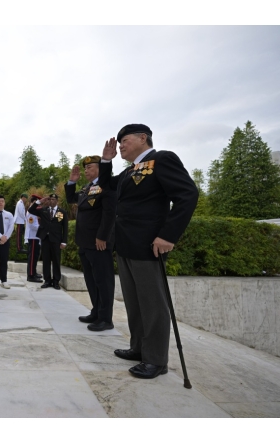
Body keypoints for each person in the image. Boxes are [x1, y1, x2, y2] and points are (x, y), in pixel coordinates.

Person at [98, 123, 198, 379]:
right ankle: (139, 348)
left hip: (148, 245)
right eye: (119, 142)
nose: (120, 145)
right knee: (134, 302)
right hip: (126, 244)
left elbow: (187, 195)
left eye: (125, 141)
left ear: (143, 138)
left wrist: (168, 235)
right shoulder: (130, 170)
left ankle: (156, 360)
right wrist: (106, 161)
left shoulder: (162, 159)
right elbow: (108, 187)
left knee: (153, 304)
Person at [65, 155, 117, 331]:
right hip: (85, 242)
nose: (86, 170)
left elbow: (110, 213)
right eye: (85, 168)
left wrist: (103, 236)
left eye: (90, 167)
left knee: (103, 281)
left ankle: (105, 318)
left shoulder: (106, 185)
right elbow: (72, 199)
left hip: (99, 243)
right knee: (91, 280)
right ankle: (96, 312)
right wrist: (71, 182)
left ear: (100, 169)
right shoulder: (88, 188)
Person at [28, 193, 68, 290]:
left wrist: (64, 241)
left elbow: (65, 228)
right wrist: (39, 202)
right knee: (46, 260)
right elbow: (31, 210)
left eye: (54, 199)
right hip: (45, 239)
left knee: (56, 261)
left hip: (56, 240)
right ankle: (47, 280)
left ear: (57, 201)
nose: (51, 201)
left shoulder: (62, 212)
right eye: (50, 199)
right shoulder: (44, 210)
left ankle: (56, 281)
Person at [24, 194, 43, 283]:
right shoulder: (31, 212)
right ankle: (31, 275)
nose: (39, 205)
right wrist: (42, 227)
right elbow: (32, 225)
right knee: (32, 258)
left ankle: (33, 272)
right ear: (33, 202)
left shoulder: (35, 211)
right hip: (33, 236)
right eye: (37, 203)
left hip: (36, 237)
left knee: (35, 257)